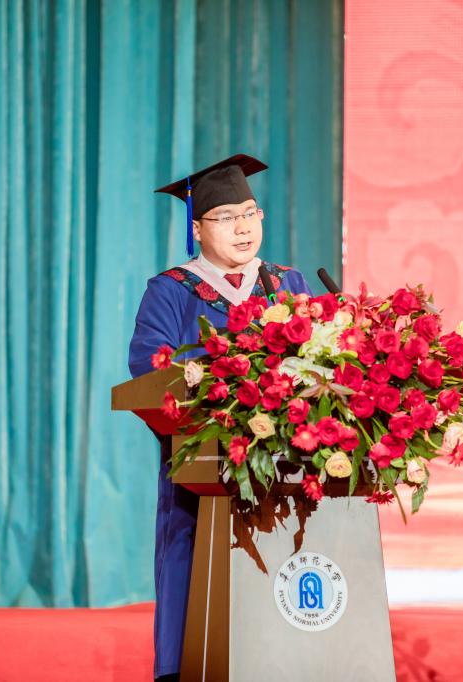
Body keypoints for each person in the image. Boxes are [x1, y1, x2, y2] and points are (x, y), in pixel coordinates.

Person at [128, 154, 312, 681]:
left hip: (286, 475)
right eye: (227, 217)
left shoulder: (286, 283)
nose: (243, 227)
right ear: (197, 228)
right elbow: (149, 368)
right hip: (203, 477)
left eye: (250, 213)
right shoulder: (172, 290)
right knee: (195, 588)